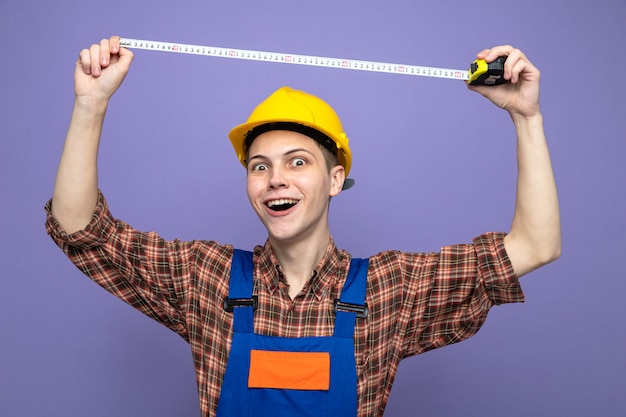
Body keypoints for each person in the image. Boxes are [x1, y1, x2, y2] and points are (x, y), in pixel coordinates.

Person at [45, 36, 561, 417]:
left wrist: (526, 118)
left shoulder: (390, 290)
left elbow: (536, 245)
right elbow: (80, 230)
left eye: (297, 162)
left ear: (335, 179)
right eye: (260, 166)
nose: (275, 180)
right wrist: (91, 104)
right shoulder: (205, 277)